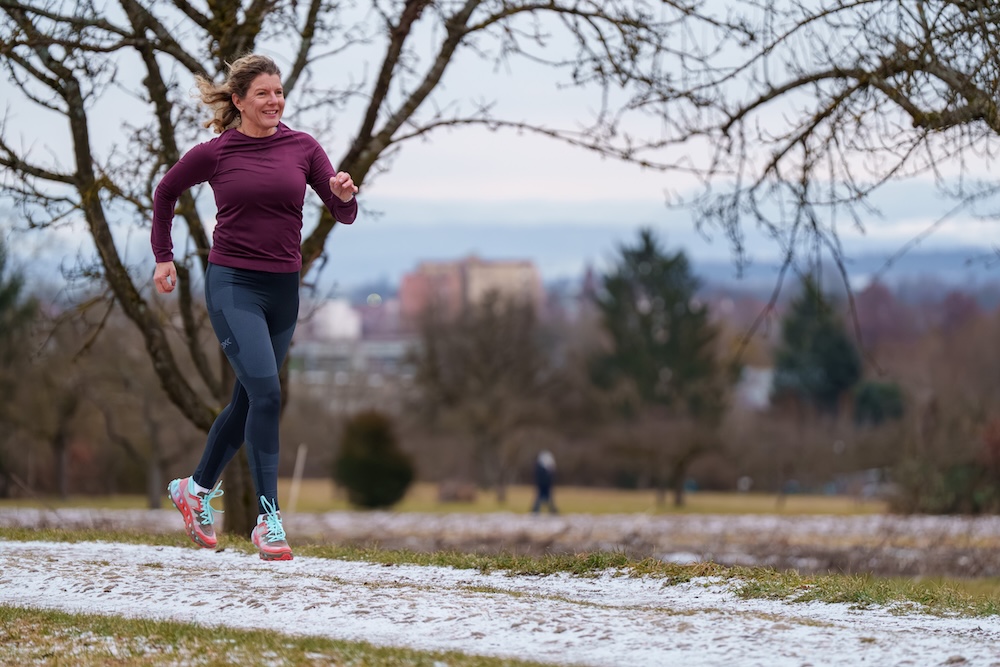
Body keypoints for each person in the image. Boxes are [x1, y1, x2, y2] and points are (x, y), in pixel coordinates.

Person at [151, 54, 358, 561]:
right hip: (233, 285)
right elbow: (166, 191)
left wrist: (343, 194)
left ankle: (195, 491)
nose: (274, 101)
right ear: (239, 100)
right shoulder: (217, 152)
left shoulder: (303, 148)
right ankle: (269, 520)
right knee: (267, 394)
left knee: (251, 400)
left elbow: (343, 213)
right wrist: (163, 257)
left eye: (279, 92)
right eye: (263, 93)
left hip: (283, 290)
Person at [531, 450, 558, 514]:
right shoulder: (541, 468)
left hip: (545, 485)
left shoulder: (544, 467)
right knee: (541, 498)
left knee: (547, 498)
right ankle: (536, 510)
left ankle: (552, 510)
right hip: (542, 485)